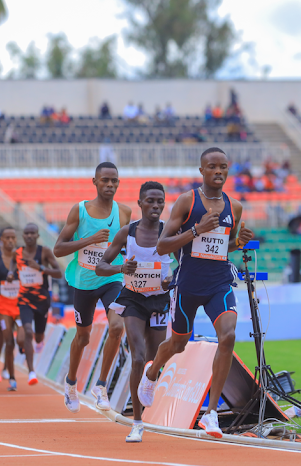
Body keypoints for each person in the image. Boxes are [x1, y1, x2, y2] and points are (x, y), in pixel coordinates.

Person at [137, 147, 254, 439]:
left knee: (227, 336)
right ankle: (152, 372)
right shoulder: (187, 202)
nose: (218, 171)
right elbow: (162, 247)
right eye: (212, 167)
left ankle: (211, 414)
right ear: (201, 171)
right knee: (177, 344)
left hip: (218, 283)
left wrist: (238, 242)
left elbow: (224, 245)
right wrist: (196, 230)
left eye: (223, 167)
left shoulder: (234, 206)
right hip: (188, 284)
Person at [96, 181, 173, 443]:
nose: (155, 206)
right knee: (138, 357)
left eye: (160, 201)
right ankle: (137, 423)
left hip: (160, 300)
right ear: (140, 204)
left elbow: (182, 266)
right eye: (150, 201)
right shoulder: (126, 234)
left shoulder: (169, 232)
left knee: (153, 361)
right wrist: (121, 269)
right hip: (133, 300)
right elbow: (101, 267)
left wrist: (169, 279)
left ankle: (147, 392)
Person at [54, 162, 132, 412]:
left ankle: (100, 385)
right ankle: (71, 383)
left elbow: (126, 246)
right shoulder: (80, 211)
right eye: (105, 180)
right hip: (85, 282)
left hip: (112, 278)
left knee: (117, 326)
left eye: (114, 181)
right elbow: (58, 249)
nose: (110, 185)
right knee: (83, 337)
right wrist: (89, 240)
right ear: (95, 182)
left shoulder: (124, 213)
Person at [11, 223, 62, 386]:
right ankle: (31, 371)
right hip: (24, 299)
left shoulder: (44, 251)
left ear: (37, 235)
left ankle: (39, 341)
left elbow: (59, 273)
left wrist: (40, 267)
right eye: (27, 233)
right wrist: (12, 274)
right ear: (23, 235)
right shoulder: (17, 253)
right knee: (27, 331)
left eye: (33, 233)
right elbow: (13, 266)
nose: (29, 236)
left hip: (42, 300)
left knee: (38, 335)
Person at [0, 227, 19, 391]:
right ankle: (10, 376)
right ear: (1, 239)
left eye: (12, 238)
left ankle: (24, 347)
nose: (10, 241)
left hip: (19, 305)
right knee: (7, 338)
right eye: (6, 238)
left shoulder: (21, 258)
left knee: (21, 338)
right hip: (1, 305)